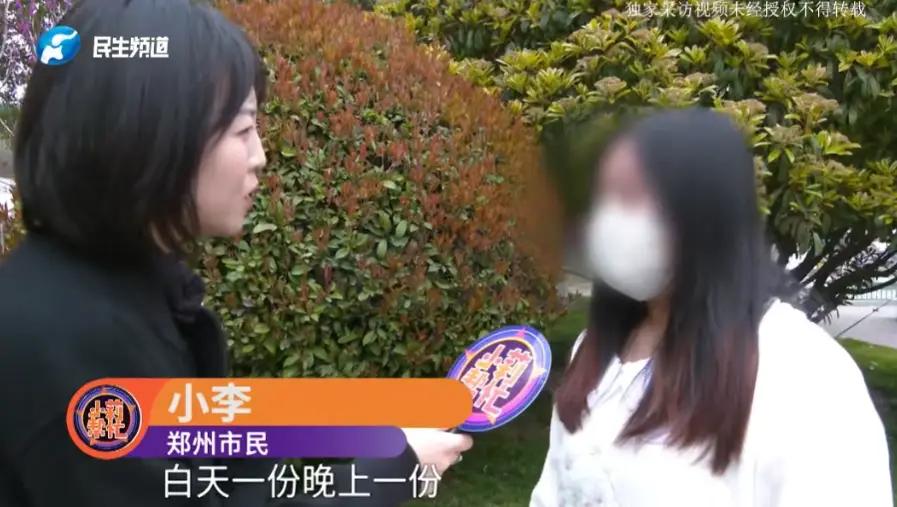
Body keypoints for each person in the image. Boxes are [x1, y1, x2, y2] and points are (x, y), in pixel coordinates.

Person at [0, 0, 471, 505]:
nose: (260, 156)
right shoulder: (66, 344)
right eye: (243, 130)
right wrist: (396, 468)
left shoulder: (121, 292)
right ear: (150, 135)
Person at [530, 108, 891, 506]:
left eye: (631, 197)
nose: (609, 223)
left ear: (705, 209)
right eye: (604, 200)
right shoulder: (592, 350)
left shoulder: (803, 374)